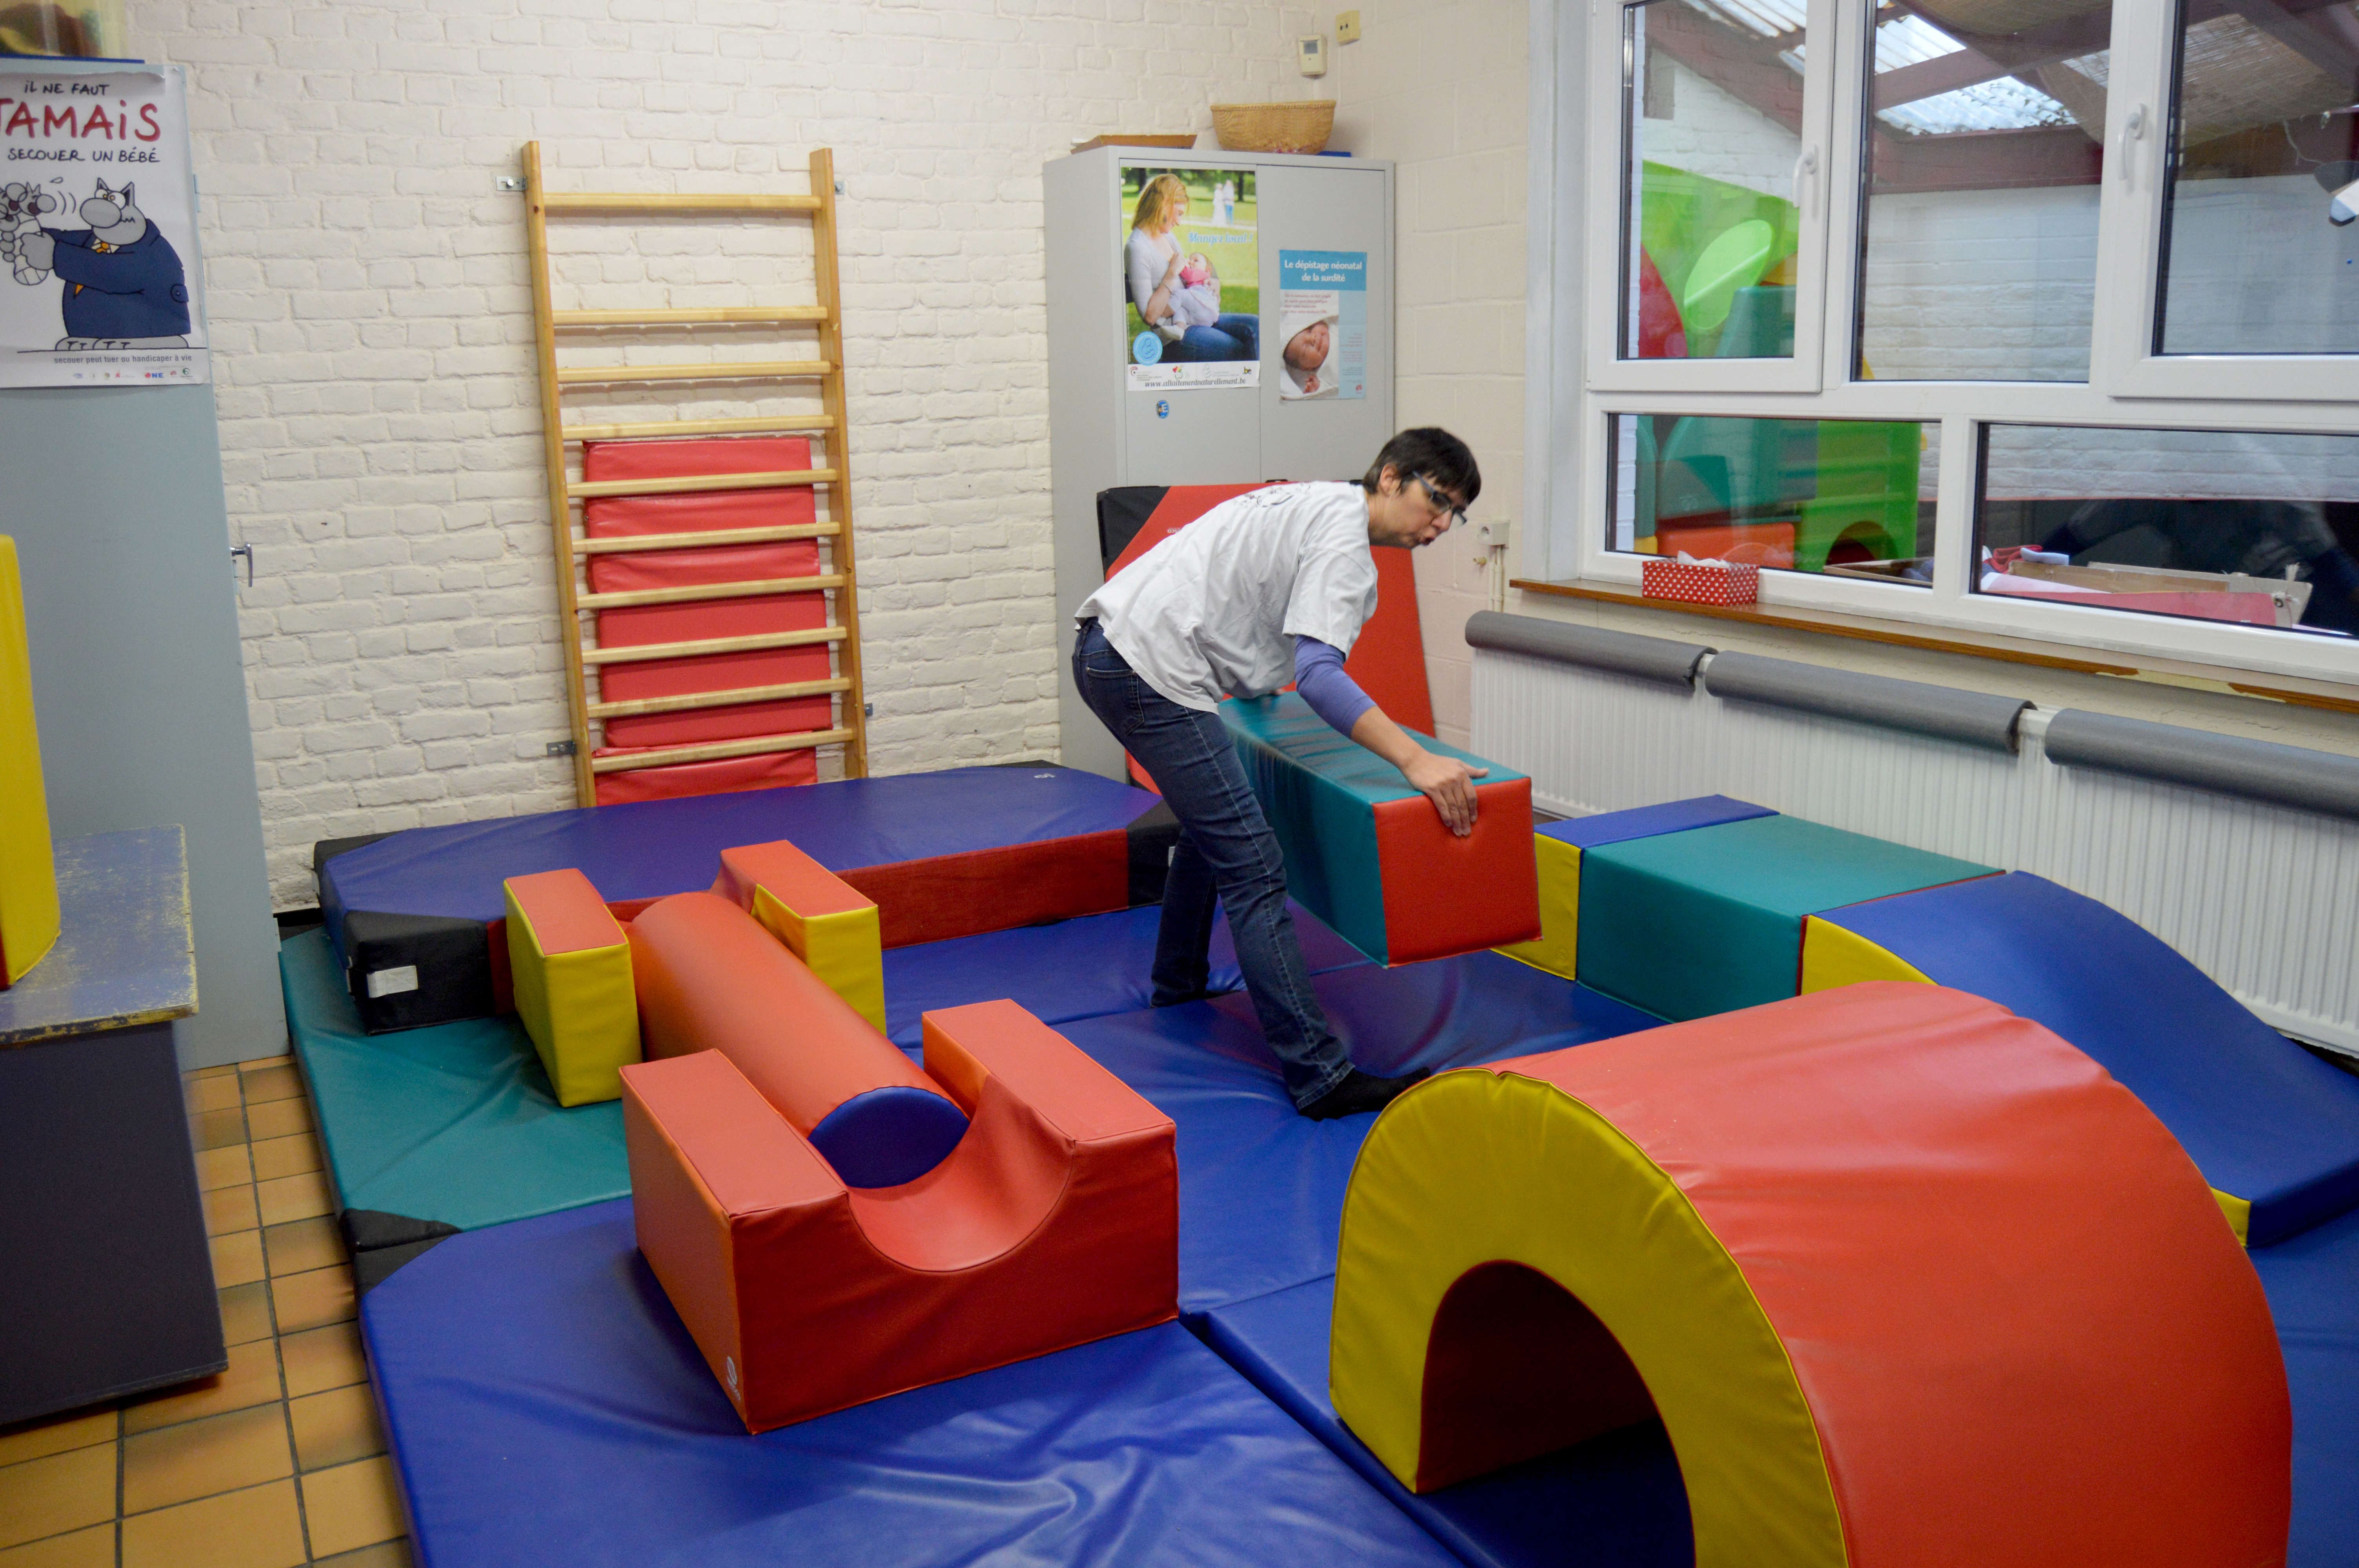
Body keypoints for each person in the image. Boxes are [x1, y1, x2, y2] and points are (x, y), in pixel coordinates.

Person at [1071, 429, 1484, 1120]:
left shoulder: (1312, 500)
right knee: (1256, 864)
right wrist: (1416, 758)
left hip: (1109, 649)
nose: (1441, 524)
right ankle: (1321, 1078)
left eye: (1455, 514)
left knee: (1216, 828)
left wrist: (1255, 685)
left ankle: (1177, 981)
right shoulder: (1346, 547)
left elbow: (1242, 587)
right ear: (1389, 477)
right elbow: (1319, 676)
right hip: (1148, 670)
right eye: (1435, 501)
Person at [1125, 173, 1258, 363]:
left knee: (1255, 327)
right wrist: (1171, 274)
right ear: (1163, 205)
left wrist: (1214, 282)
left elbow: (1190, 270)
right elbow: (1151, 317)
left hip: (1195, 315)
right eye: (1178, 214)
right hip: (1174, 336)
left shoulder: (1166, 236)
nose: (1179, 222)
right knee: (1238, 348)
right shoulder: (1137, 248)